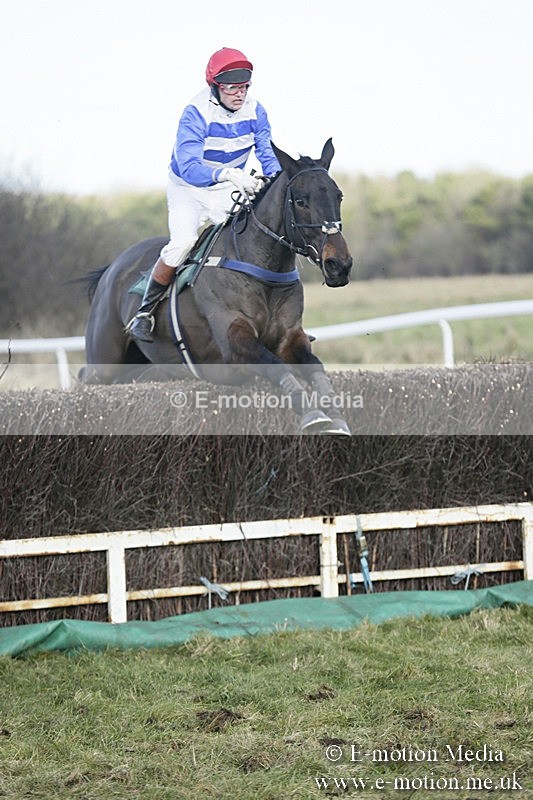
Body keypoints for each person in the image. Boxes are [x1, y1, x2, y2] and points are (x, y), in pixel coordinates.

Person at [127, 47, 281, 342]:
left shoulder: (257, 110)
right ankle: (144, 313)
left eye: (244, 86)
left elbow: (267, 153)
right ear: (215, 87)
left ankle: (278, 317)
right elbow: (188, 167)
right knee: (183, 242)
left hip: (228, 187)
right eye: (232, 88)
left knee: (255, 238)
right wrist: (227, 174)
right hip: (189, 189)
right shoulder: (195, 112)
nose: (240, 94)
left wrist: (273, 179)